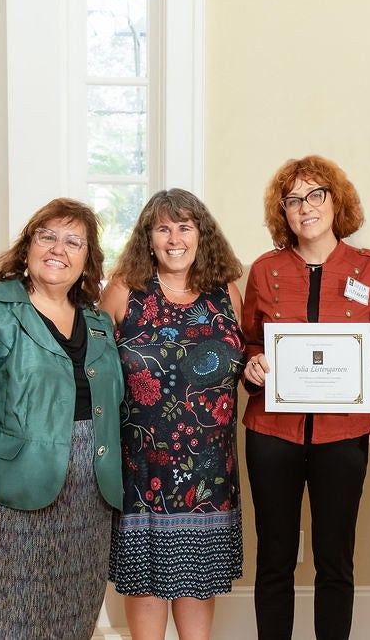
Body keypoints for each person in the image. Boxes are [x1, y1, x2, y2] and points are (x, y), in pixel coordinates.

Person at [0, 198, 123, 639]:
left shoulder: (97, 321)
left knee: (75, 620)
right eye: (48, 236)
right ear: (28, 246)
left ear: (87, 259)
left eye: (74, 242)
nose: (59, 248)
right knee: (14, 619)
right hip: (8, 492)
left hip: (88, 499)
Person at [242, 155, 370, 640]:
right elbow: (249, 340)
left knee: (336, 559)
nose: (304, 207)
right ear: (282, 212)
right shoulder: (265, 270)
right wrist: (251, 366)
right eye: (293, 200)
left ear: (336, 201)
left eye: (316, 195)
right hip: (271, 434)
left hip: (343, 435)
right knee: (274, 558)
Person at [102, 189, 245, 640]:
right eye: (163, 228)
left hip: (209, 471)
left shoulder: (227, 294)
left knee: (198, 588)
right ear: (148, 239)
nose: (175, 238)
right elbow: (92, 365)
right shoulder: (125, 291)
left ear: (202, 235)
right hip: (141, 469)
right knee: (144, 587)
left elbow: (251, 362)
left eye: (185, 227)